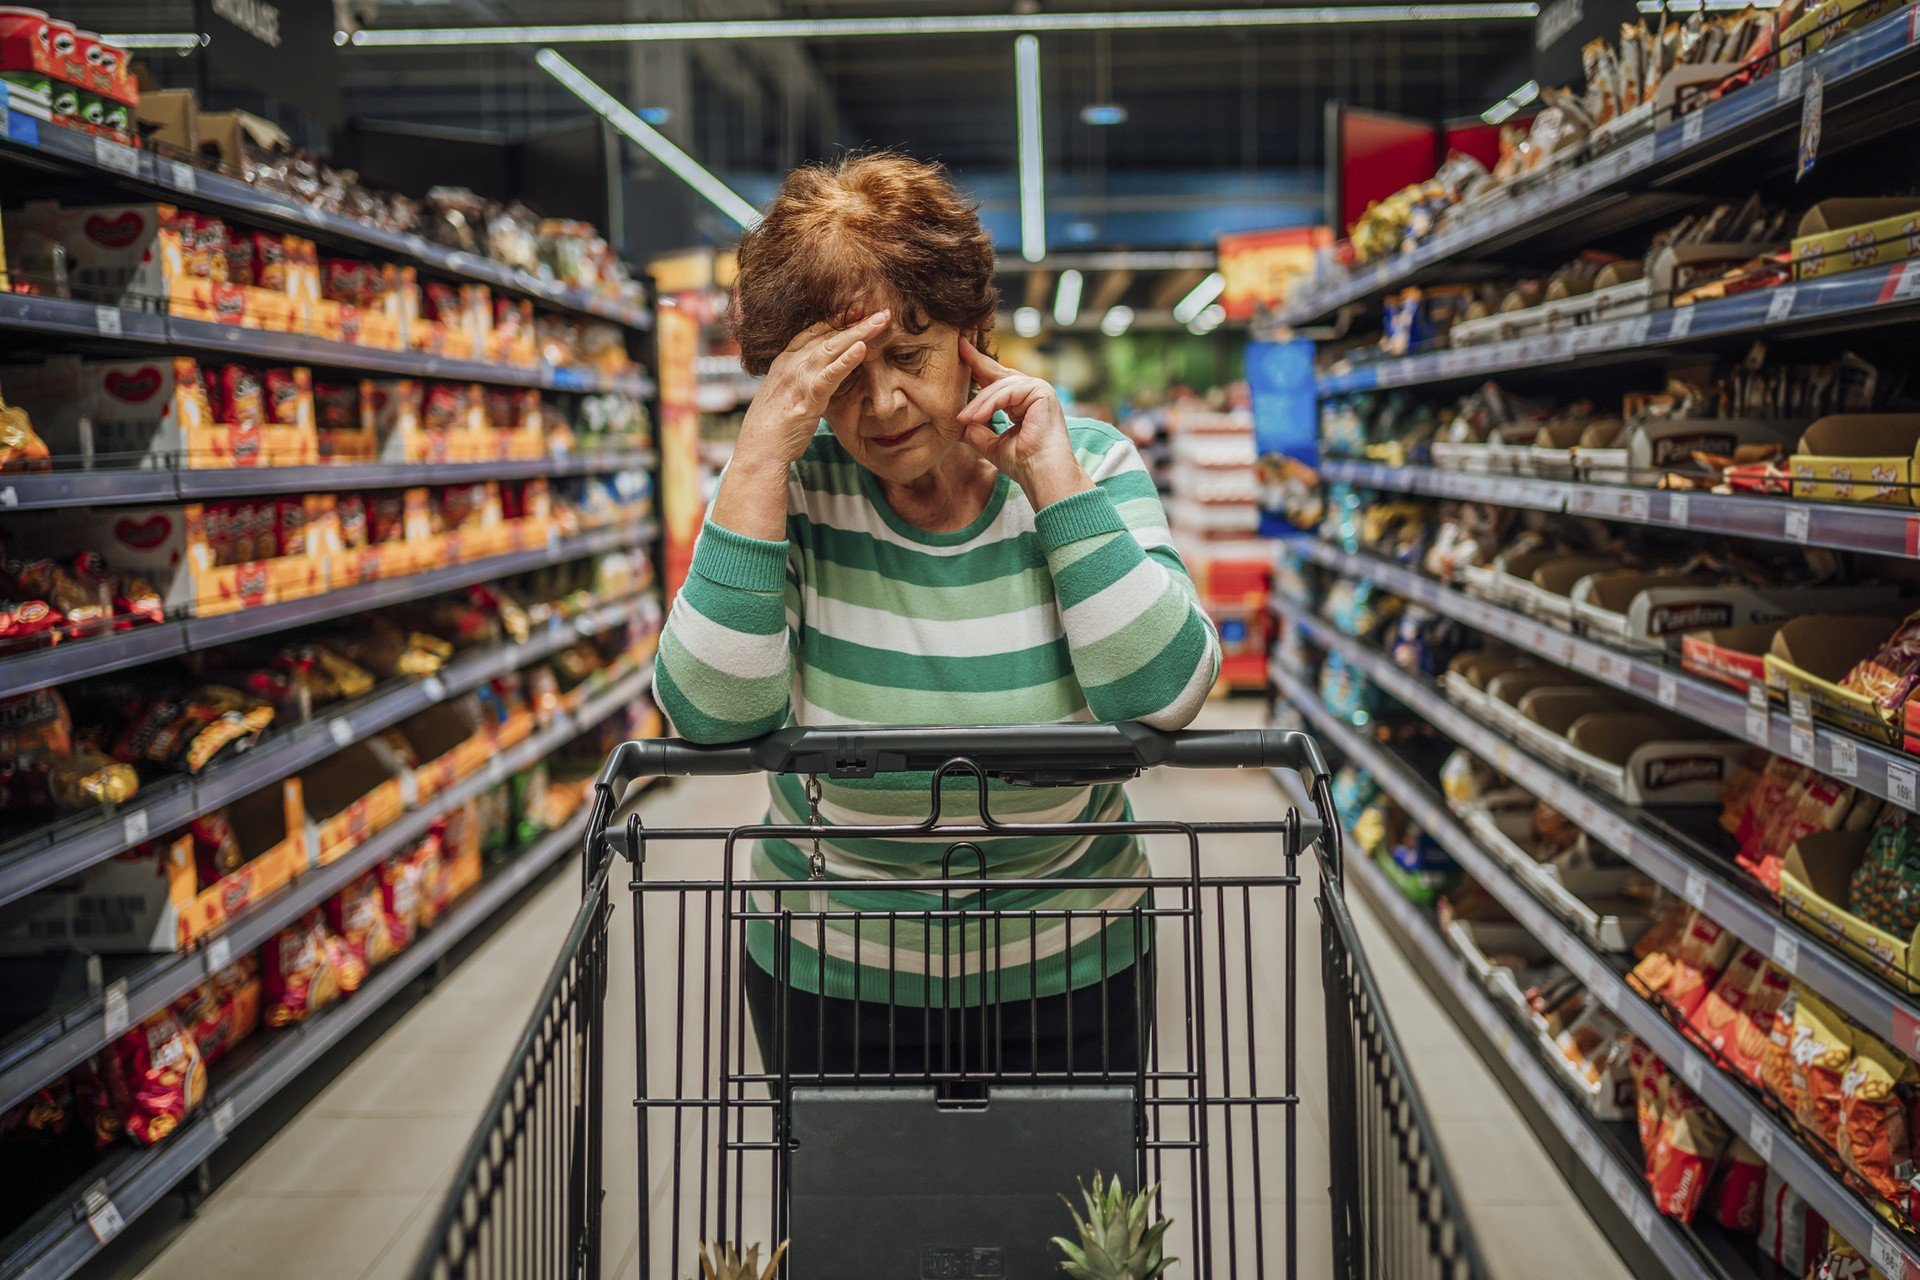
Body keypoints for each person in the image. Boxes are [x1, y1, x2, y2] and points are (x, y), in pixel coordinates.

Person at [653, 152, 1221, 1080]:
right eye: (838, 372)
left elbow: (1165, 692)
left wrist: (1051, 483)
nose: (879, 404)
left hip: (1072, 969)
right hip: (832, 977)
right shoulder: (788, 491)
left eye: (909, 356)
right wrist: (755, 458)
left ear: (973, 332)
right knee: (856, 1226)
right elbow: (712, 713)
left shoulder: (1088, 462)